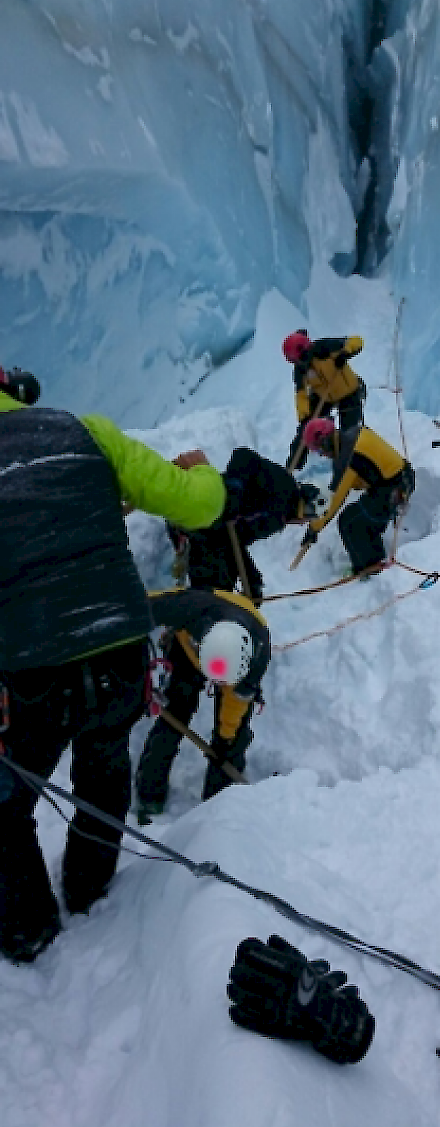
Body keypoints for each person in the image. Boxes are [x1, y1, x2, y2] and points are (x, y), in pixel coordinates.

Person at [0, 367, 227, 964]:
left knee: (7, 806)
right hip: (120, 660)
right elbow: (201, 506)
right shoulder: (87, 433)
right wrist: (199, 466)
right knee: (101, 770)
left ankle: (28, 932)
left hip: (30, 679)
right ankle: (90, 892)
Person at [135, 587, 271, 821]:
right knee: (176, 712)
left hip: (235, 645)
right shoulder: (187, 608)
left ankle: (219, 806)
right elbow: (135, 607)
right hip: (188, 648)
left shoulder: (256, 657)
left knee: (231, 738)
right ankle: (149, 792)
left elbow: (236, 704)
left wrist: (225, 739)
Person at [169, 446, 324, 601]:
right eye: (309, 511)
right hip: (198, 507)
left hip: (209, 532)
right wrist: (234, 488)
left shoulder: (278, 519)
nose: (303, 521)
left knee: (222, 588)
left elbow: (235, 541)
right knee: (214, 583)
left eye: (310, 517)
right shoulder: (283, 486)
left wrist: (252, 581)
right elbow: (243, 456)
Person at [299, 418, 415, 577]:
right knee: (361, 516)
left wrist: (315, 527)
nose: (323, 456)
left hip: (395, 489)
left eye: (320, 451)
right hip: (398, 480)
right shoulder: (352, 435)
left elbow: (335, 498)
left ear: (325, 441)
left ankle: (371, 569)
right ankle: (374, 560)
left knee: (350, 523)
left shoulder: (348, 456)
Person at [283, 331, 366, 471]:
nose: (301, 363)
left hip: (349, 392)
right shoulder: (301, 369)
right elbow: (301, 394)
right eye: (296, 361)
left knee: (350, 433)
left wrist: (345, 352)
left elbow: (356, 340)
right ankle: (293, 467)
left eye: (301, 358)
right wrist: (304, 416)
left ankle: (348, 466)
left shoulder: (325, 347)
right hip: (324, 397)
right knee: (306, 429)